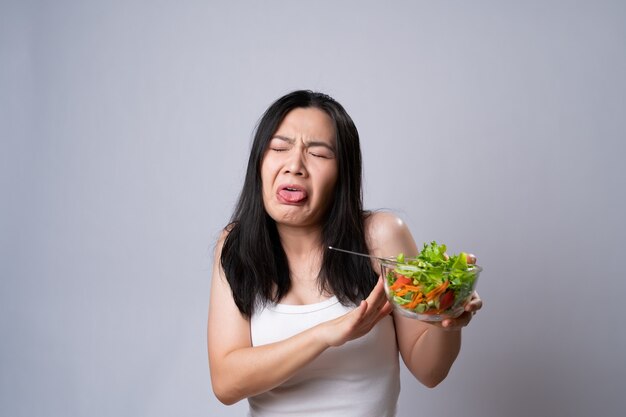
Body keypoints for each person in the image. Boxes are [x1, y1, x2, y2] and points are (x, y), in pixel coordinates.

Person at [207, 90, 483, 417]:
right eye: (279, 148)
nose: (294, 166)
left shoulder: (381, 236)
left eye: (319, 155)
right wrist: (326, 334)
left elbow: (429, 372)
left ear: (342, 176)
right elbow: (226, 383)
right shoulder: (237, 246)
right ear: (259, 163)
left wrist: (444, 317)